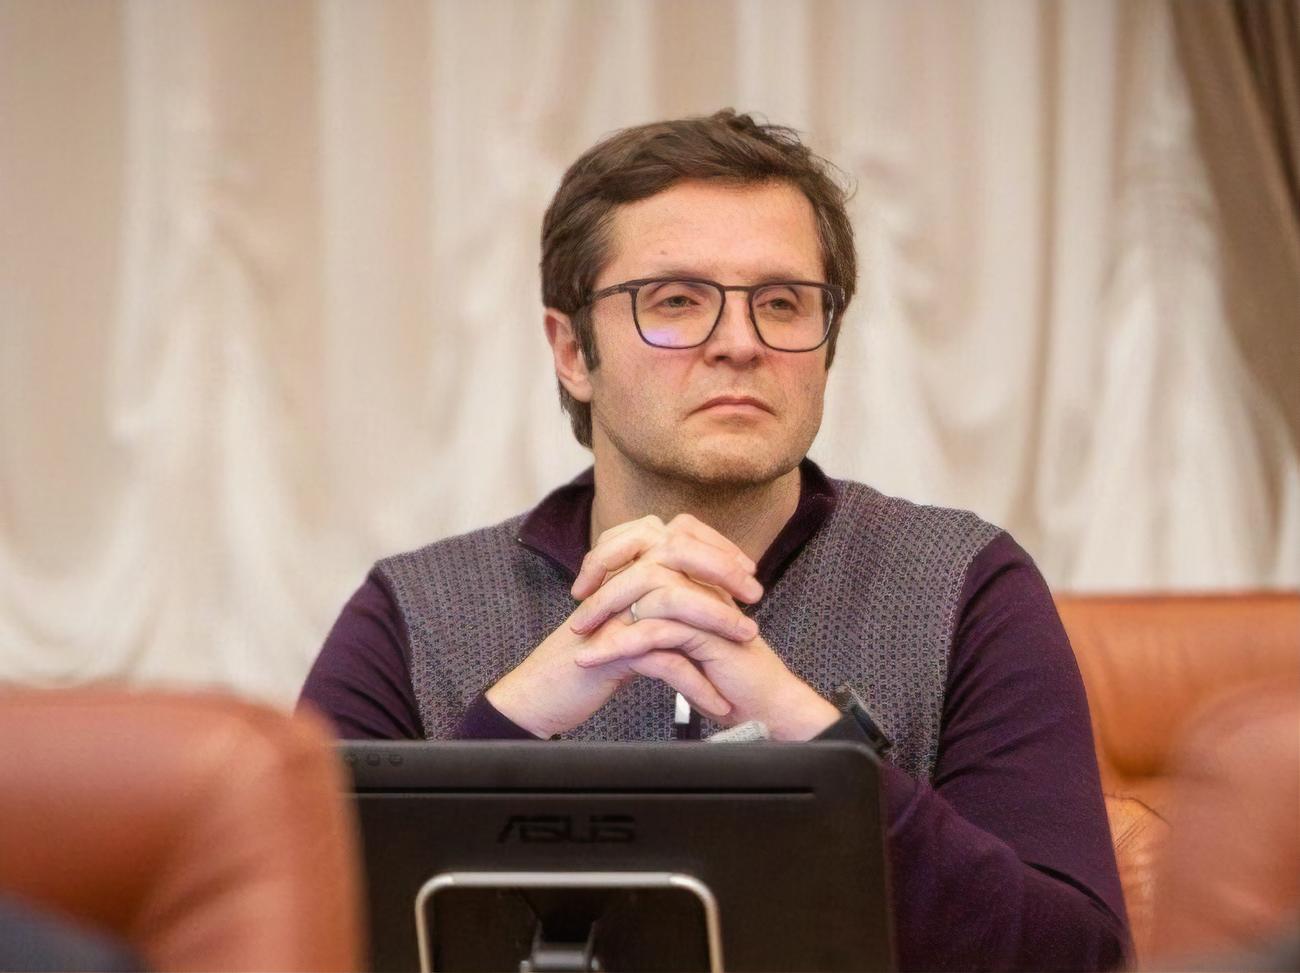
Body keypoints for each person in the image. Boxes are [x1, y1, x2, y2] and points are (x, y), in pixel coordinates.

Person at [300, 109, 1130, 971]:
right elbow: (290, 941)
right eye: (675, 301)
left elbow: (1078, 957)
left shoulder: (964, 586)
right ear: (572, 351)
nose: (739, 344)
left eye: (782, 303)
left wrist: (813, 745)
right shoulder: (413, 614)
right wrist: (507, 726)